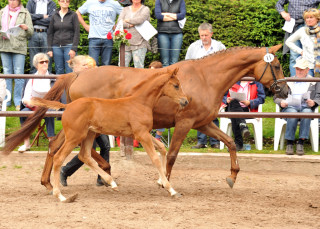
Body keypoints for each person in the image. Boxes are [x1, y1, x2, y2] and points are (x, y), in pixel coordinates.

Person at [60, 55, 111, 187]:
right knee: (89, 150)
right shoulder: (73, 81)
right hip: (81, 121)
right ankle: (65, 171)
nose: (87, 67)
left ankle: (102, 177)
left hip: (96, 118)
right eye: (84, 65)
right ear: (75, 67)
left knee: (105, 145)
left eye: (88, 65)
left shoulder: (88, 80)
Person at [185, 22, 226, 149]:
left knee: (212, 111)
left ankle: (215, 141)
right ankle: (201, 141)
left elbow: (225, 65)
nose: (203, 38)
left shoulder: (220, 47)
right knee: (199, 111)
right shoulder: (193, 47)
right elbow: (187, 64)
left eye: (206, 35)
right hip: (198, 85)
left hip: (215, 84)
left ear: (211, 34)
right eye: (201, 35)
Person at [274, 57, 320, 155]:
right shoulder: (288, 80)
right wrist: (281, 102)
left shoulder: (314, 81)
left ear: (307, 70)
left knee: (307, 113)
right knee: (292, 112)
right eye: (297, 69)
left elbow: (318, 96)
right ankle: (289, 142)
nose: (299, 71)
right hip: (290, 107)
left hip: (306, 107)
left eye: (301, 69)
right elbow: (276, 97)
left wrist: (314, 102)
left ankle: (301, 142)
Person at [18, 53, 55, 152]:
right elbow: (25, 98)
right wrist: (29, 102)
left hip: (48, 106)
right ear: (36, 65)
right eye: (41, 62)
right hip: (33, 106)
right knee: (23, 113)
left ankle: (52, 144)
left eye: (46, 61)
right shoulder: (31, 78)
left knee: (50, 113)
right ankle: (26, 143)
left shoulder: (53, 78)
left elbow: (56, 98)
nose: (44, 64)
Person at [0, 0, 33, 110]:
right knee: (6, 74)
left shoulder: (25, 12)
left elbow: (31, 32)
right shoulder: (2, 12)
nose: (12, 1)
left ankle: (18, 100)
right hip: (4, 46)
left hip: (19, 47)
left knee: (19, 75)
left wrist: (26, 28)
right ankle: (6, 100)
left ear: (18, 1)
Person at [276, 0, 320, 77]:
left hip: (313, 25)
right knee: (294, 56)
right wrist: (283, 13)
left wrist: (316, 14)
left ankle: (314, 80)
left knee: (314, 53)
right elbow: (279, 3)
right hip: (294, 25)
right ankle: (295, 82)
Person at [221, 81, 266, 151]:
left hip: (248, 110)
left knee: (235, 116)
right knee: (234, 103)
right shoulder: (233, 80)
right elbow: (222, 95)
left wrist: (250, 102)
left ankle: (238, 144)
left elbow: (262, 98)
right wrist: (226, 99)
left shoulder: (256, 83)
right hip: (233, 107)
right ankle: (243, 127)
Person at [76, 0, 122, 66]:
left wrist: (117, 25)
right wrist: (85, 26)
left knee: (106, 65)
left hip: (108, 38)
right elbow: (77, 13)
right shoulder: (90, 2)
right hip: (94, 38)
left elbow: (125, 13)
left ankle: (105, 76)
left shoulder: (114, 3)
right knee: (92, 65)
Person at [47, 0, 80, 75]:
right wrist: (49, 49)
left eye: (67, 1)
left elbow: (77, 33)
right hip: (56, 47)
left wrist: (74, 48)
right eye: (63, 1)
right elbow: (50, 33)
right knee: (59, 69)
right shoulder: (54, 15)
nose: (65, 2)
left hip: (69, 46)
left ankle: (70, 87)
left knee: (70, 69)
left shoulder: (73, 15)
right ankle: (61, 87)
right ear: (59, 2)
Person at [286, 8, 320, 77]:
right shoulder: (302, 31)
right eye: (307, 18)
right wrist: (300, 51)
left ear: (317, 19)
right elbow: (288, 41)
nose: (309, 20)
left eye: (311, 17)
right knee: (309, 86)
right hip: (307, 66)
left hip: (318, 65)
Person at [117, 0, 150, 68]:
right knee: (121, 67)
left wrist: (127, 20)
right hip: (125, 42)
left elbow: (140, 20)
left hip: (140, 43)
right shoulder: (125, 9)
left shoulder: (145, 9)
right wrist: (129, 25)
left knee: (139, 67)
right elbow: (119, 22)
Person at [27, 0, 56, 74]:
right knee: (33, 60)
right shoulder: (31, 2)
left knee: (47, 60)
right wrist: (42, 16)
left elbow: (51, 20)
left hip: (46, 34)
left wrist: (35, 20)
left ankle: (48, 82)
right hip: (33, 33)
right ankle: (33, 83)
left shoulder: (51, 3)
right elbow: (28, 17)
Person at [155, 0, 186, 67]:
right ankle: (166, 77)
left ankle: (173, 77)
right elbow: (158, 16)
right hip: (163, 33)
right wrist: (175, 16)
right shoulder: (159, 1)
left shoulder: (181, 1)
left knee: (174, 62)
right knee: (165, 62)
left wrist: (166, 14)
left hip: (177, 33)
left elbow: (182, 15)